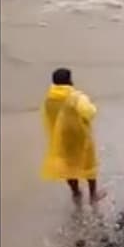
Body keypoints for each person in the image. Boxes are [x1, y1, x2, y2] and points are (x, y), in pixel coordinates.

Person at [41, 68, 105, 205]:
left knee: (69, 167)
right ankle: (93, 195)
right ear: (69, 81)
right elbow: (90, 113)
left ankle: (76, 192)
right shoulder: (77, 97)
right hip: (80, 136)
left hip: (62, 138)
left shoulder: (48, 99)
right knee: (89, 165)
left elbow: (47, 117)